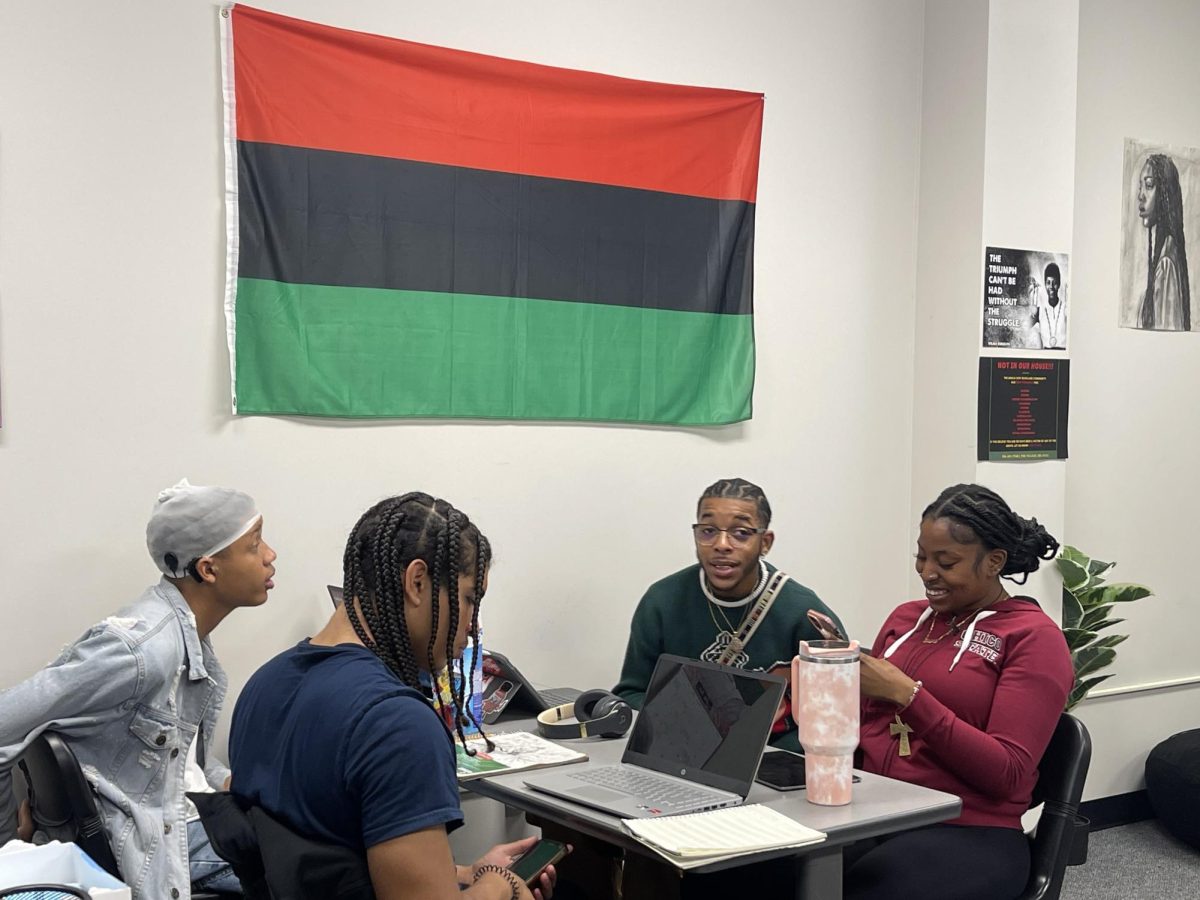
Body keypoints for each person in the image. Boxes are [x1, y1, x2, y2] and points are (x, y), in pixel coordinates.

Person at [227, 493, 558, 900]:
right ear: (416, 582)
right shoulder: (399, 724)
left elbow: (322, 855)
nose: (471, 624)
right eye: (470, 598)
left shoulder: (265, 683)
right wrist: (501, 885)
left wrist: (462, 872)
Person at [0, 478, 276, 899]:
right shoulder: (143, 650)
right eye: (255, 545)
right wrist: (11, 853)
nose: (271, 555)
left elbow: (179, 761)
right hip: (158, 841)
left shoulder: (189, 637)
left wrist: (230, 782)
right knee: (325, 861)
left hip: (186, 815)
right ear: (208, 568)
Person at [844, 483, 1072, 900]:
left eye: (946, 562)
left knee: (867, 888)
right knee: (764, 868)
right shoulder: (906, 619)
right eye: (921, 556)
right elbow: (864, 726)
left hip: (972, 830)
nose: (927, 572)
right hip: (874, 813)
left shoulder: (1032, 637)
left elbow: (1007, 773)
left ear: (994, 562)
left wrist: (909, 696)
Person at [614, 477, 843, 752]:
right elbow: (631, 693)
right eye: (708, 531)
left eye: (741, 533)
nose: (721, 544)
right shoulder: (662, 601)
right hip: (682, 754)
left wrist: (782, 759)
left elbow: (835, 716)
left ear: (765, 542)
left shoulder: (802, 613)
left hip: (773, 759)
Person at [1136, 153, 1191, 331]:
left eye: (1149, 185)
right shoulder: (1167, 252)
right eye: (1140, 187)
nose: (1140, 196)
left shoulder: (1166, 263)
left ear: (1165, 195)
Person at [1032, 261, 1067, 349]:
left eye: (1054, 283)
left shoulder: (1065, 309)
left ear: (1059, 284)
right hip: (1047, 357)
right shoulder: (1040, 311)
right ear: (1045, 284)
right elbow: (1023, 326)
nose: (1051, 287)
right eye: (1048, 283)